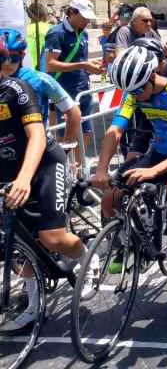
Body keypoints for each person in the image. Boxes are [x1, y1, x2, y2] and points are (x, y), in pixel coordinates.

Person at [91, 46, 167, 314]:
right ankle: (129, 243)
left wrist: (155, 172)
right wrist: (101, 169)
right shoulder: (134, 92)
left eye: (140, 89)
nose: (137, 95)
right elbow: (116, 130)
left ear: (152, 76)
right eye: (131, 91)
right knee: (110, 198)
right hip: (158, 152)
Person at [0, 72, 96, 332]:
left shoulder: (15, 89)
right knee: (18, 244)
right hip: (8, 169)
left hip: (44, 164)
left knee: (52, 237)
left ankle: (87, 257)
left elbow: (38, 136)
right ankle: (34, 307)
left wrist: (24, 179)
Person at [0, 30, 81, 151]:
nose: (7, 63)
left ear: (22, 55)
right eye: (2, 58)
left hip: (38, 148)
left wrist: (67, 146)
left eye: (13, 58)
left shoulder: (40, 79)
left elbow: (74, 112)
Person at [44, 0, 104, 153]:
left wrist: (92, 64)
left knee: (86, 132)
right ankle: (65, 165)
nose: (87, 21)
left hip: (83, 89)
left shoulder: (84, 33)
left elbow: (80, 60)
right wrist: (83, 65)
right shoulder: (56, 33)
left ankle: (79, 165)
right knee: (67, 135)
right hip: (64, 91)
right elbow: (50, 64)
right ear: (72, 12)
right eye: (84, 17)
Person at [115, 6, 167, 76]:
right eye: (145, 20)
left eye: (150, 20)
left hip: (149, 70)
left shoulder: (149, 31)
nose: (149, 24)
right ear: (134, 21)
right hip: (132, 72)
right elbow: (120, 55)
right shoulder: (124, 31)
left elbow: (164, 47)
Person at [26, 2, 51, 70]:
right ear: (44, 13)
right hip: (45, 68)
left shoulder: (24, 29)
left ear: (29, 15)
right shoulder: (51, 28)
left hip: (28, 67)